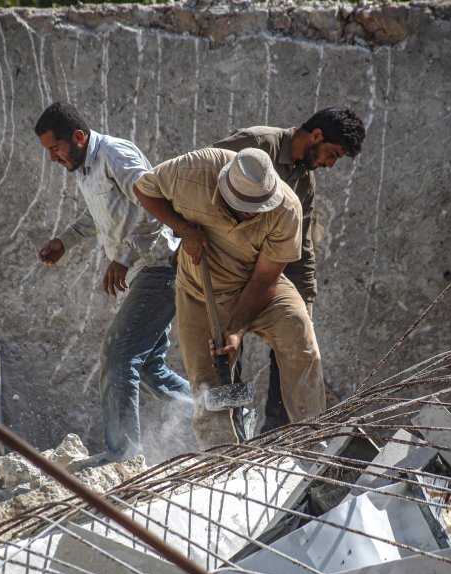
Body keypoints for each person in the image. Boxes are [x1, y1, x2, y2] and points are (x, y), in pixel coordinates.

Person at [133, 147, 325, 448]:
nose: (253, 212)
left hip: (257, 284)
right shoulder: (193, 171)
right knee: (207, 382)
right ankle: (220, 459)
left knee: (300, 337)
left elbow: (265, 279)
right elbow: (143, 188)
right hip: (200, 289)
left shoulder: (287, 210)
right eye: (245, 206)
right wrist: (183, 229)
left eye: (259, 206)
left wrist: (235, 331)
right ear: (224, 187)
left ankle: (313, 439)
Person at [33, 102, 192, 463]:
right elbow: (100, 216)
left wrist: (122, 258)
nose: (54, 159)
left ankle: (122, 456)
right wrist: (65, 241)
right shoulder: (85, 169)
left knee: (118, 353)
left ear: (77, 137)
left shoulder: (114, 154)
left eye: (55, 149)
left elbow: (156, 205)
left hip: (160, 267)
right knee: (151, 370)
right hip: (144, 272)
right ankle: (223, 413)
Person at [213, 107, 365, 433]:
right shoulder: (254, 144)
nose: (330, 163)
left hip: (265, 277)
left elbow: (302, 249)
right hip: (220, 269)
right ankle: (229, 444)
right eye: (331, 154)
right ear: (316, 136)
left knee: (293, 343)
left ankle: (277, 440)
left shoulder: (305, 183)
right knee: (223, 354)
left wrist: (305, 307)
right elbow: (200, 179)